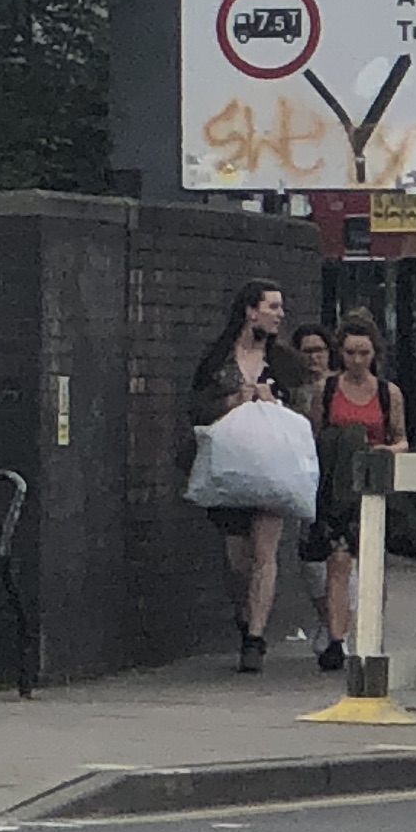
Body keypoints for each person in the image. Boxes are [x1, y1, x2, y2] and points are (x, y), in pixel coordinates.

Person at [188, 279, 295, 673]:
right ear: (251, 311)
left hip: (272, 468)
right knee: (237, 560)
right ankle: (245, 618)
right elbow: (196, 407)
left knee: (265, 553)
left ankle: (255, 638)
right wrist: (233, 400)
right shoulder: (218, 359)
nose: (280, 314)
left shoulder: (283, 362)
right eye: (273, 306)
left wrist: (276, 402)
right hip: (230, 470)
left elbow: (303, 410)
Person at [302, 311, 404, 675]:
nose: (357, 361)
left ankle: (371, 635)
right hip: (335, 487)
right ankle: (336, 639)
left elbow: (401, 440)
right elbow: (314, 438)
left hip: (373, 488)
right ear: (340, 353)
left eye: (364, 353)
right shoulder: (325, 391)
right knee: (339, 561)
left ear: (374, 353)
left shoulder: (389, 393)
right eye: (350, 353)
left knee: (374, 563)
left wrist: (386, 452)